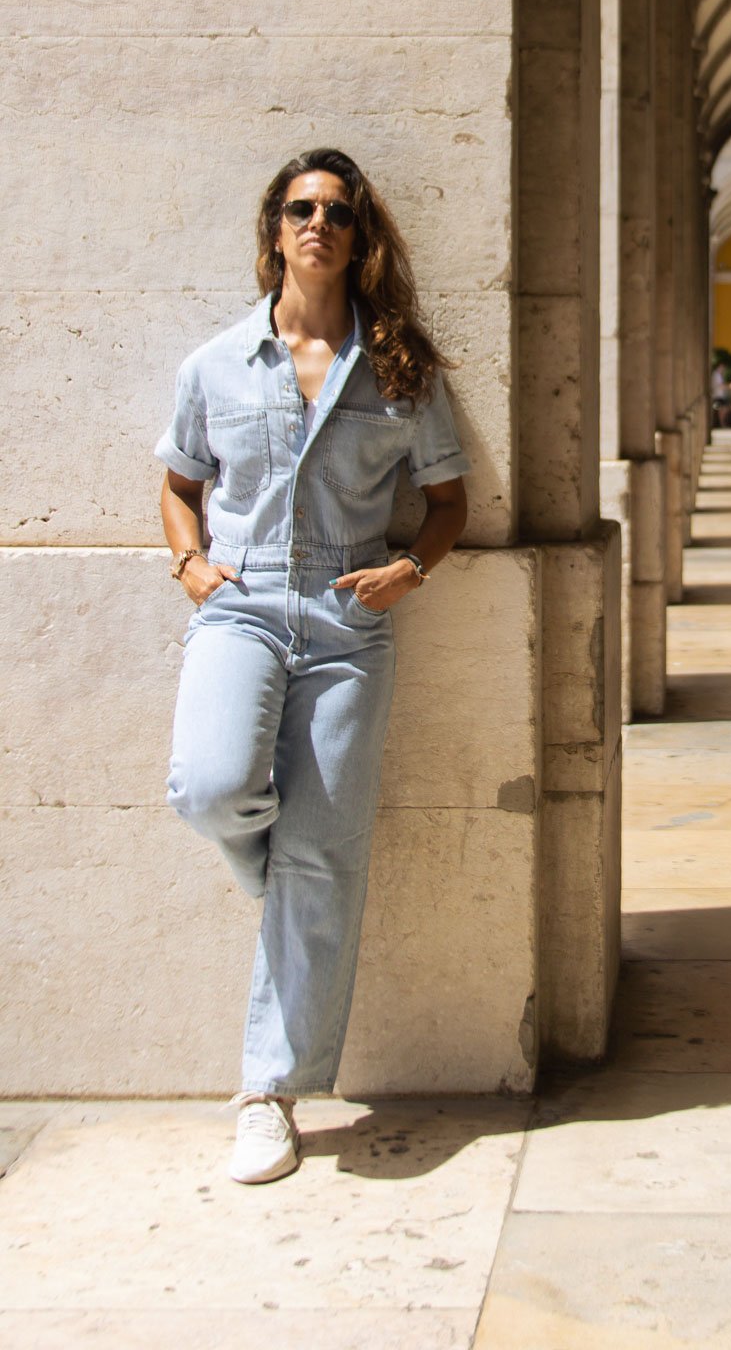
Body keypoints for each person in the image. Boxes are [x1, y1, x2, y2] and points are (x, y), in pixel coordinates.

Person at [156, 148, 470, 1185]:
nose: (317, 224)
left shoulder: (400, 367)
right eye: (300, 208)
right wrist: (193, 566)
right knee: (208, 790)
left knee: (325, 856)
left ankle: (269, 1093)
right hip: (241, 604)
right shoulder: (212, 363)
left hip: (346, 616)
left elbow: (448, 500)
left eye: (337, 211)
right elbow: (179, 481)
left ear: (359, 236)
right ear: (273, 229)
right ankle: (292, 882)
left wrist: (408, 574)